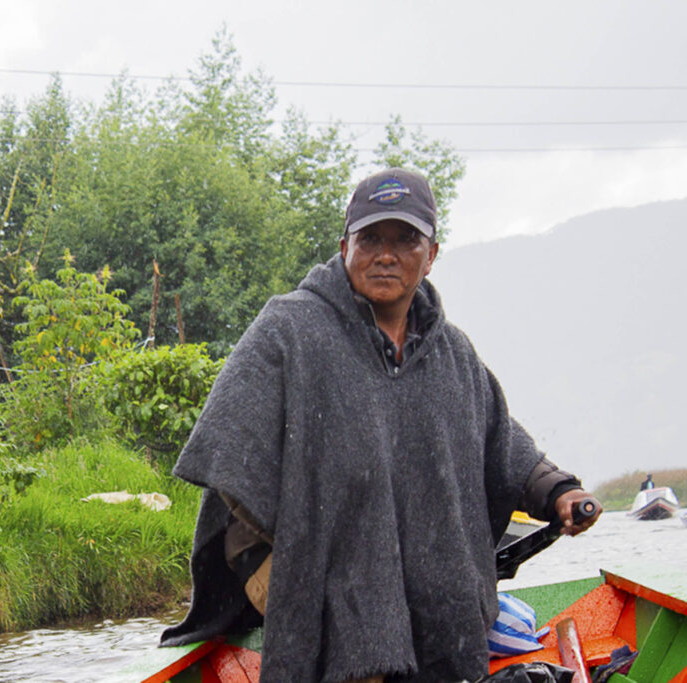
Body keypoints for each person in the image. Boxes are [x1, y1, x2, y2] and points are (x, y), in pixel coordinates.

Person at [159, 168, 600, 682]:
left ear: (431, 255)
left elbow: (501, 443)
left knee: (447, 600)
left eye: (405, 240)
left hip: (408, 566)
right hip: (291, 560)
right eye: (370, 238)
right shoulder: (290, 328)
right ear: (344, 245)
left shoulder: (450, 351)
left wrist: (560, 492)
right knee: (360, 609)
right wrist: (310, 537)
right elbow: (227, 444)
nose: (385, 255)